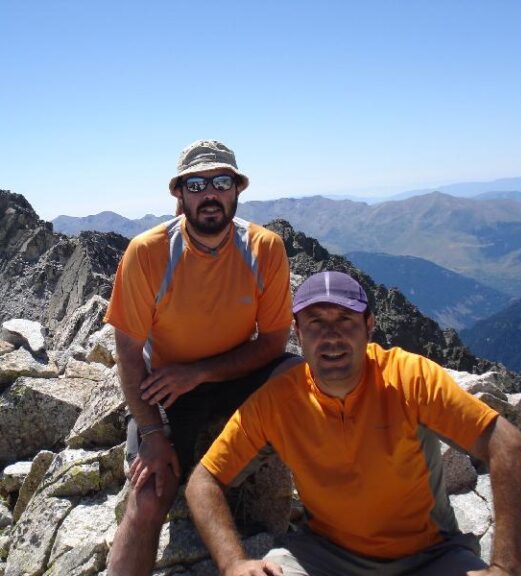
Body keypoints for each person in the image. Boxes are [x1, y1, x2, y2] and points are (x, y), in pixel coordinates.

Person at [186, 270, 521, 576]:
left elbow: (509, 445)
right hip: (324, 555)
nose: (331, 335)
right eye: (316, 321)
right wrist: (233, 562)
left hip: (430, 555)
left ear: (369, 326)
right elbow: (204, 480)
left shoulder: (409, 378)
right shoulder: (277, 402)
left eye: (346, 319)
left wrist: (504, 567)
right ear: (298, 331)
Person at [103, 139, 296, 576]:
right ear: (179, 194)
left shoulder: (265, 249)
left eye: (220, 181)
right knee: (151, 492)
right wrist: (151, 433)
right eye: (196, 184)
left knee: (299, 378)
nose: (209, 194)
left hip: (228, 376)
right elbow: (129, 352)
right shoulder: (148, 253)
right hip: (167, 391)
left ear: (237, 191)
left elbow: (272, 345)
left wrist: (199, 372)